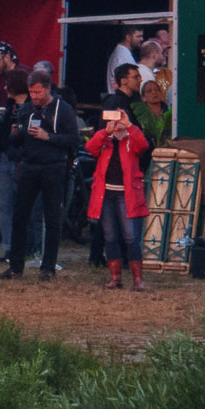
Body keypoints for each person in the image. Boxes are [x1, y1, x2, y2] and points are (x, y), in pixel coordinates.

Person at [0, 69, 73, 278]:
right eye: (31, 92)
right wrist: (15, 135)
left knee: (52, 218)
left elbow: (72, 139)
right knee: (20, 215)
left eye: (39, 92)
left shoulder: (63, 109)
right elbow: (18, 141)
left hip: (53, 167)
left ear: (48, 89)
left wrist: (48, 137)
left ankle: (48, 266)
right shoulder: (26, 110)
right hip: (30, 166)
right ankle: (15, 266)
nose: (35, 97)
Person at [82, 98, 151, 290]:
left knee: (131, 237)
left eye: (120, 117)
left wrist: (129, 125)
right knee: (110, 236)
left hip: (126, 194)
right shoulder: (105, 139)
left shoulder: (131, 137)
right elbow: (90, 148)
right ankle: (116, 277)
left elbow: (143, 146)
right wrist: (107, 131)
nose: (118, 121)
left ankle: (138, 279)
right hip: (106, 194)